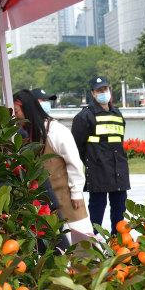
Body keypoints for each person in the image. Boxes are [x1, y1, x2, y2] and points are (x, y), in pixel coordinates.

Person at [13, 89, 92, 239]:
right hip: (43, 206)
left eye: (16, 112)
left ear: (28, 109)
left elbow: (74, 163)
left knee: (81, 244)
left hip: (67, 200)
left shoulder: (55, 130)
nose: (15, 117)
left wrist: (76, 193)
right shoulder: (23, 135)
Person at [71, 75, 130, 231]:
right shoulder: (85, 116)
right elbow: (77, 146)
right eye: (99, 90)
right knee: (97, 210)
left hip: (119, 169)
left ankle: (118, 240)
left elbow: (119, 140)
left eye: (105, 89)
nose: (104, 93)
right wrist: (92, 161)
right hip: (98, 169)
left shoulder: (117, 113)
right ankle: (94, 240)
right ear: (93, 93)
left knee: (120, 210)